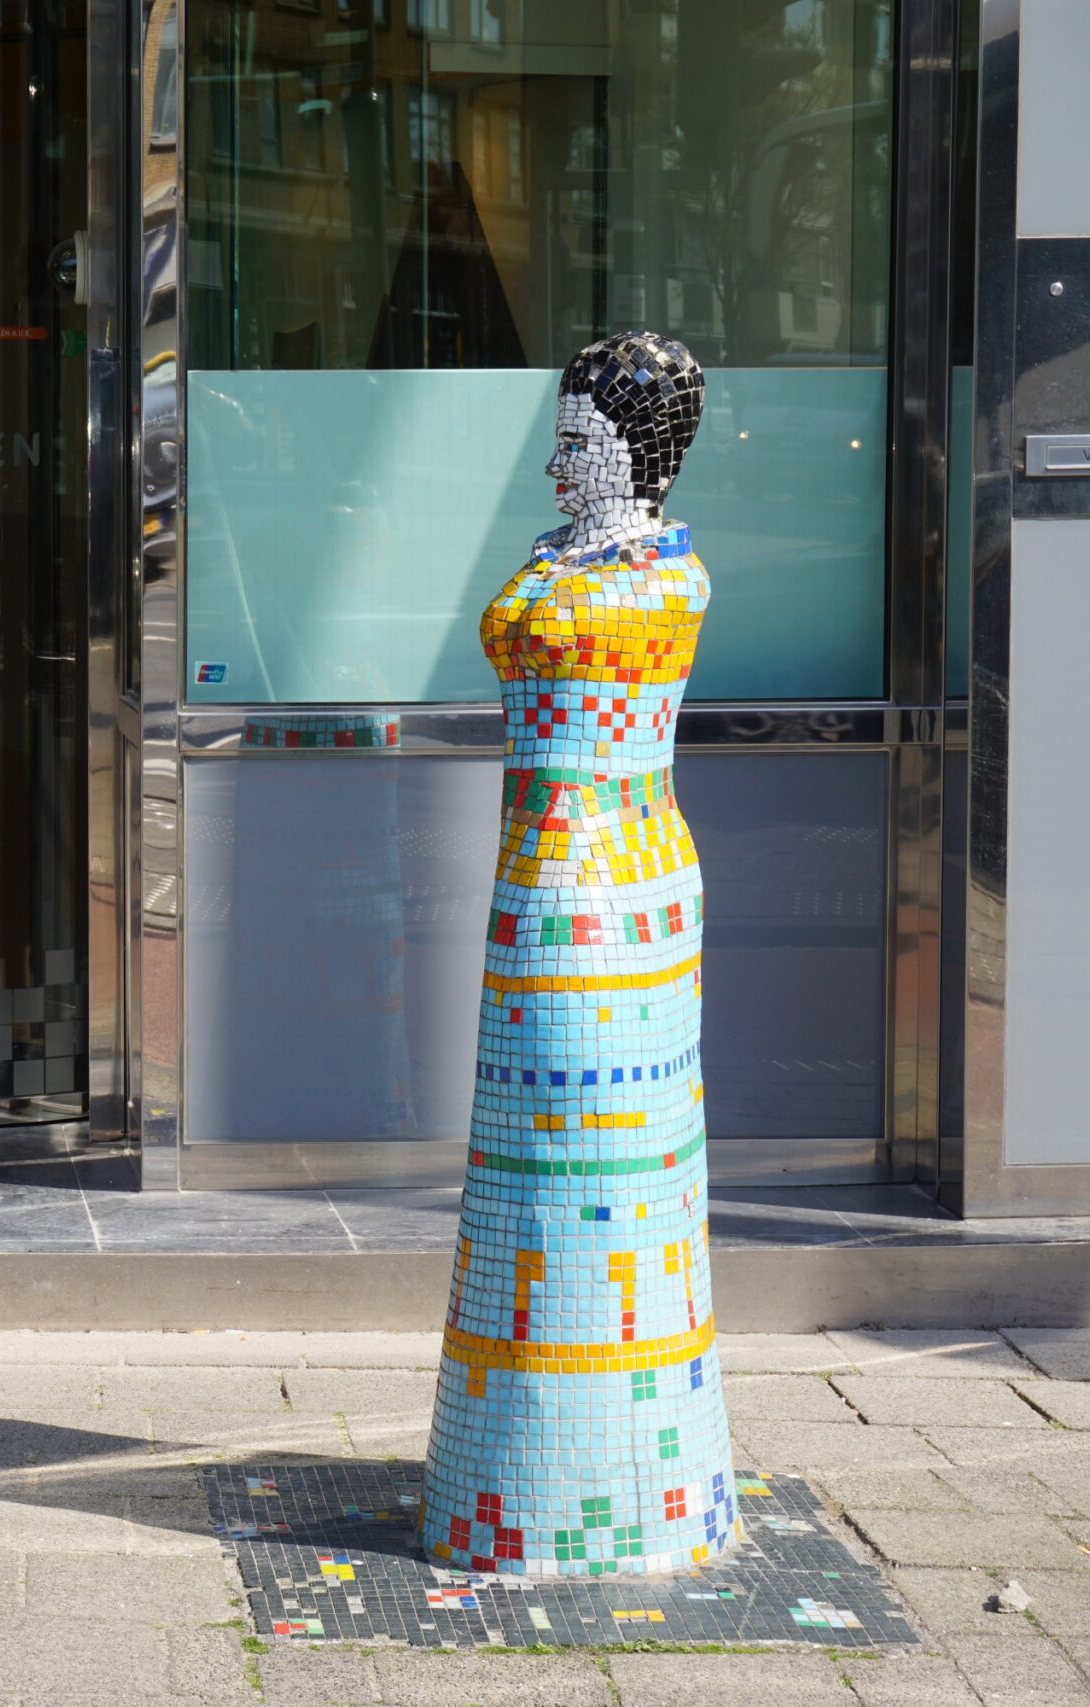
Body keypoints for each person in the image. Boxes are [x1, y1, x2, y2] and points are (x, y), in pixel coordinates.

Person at [419, 330, 737, 1577]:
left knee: (598, 1176)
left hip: (604, 891)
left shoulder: (654, 580)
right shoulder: (577, 557)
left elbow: (547, 633)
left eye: (578, 444)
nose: (556, 471)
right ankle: (516, 1487)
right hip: (545, 881)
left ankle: (610, 1496)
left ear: (637, 452)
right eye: (556, 443)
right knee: (528, 1181)